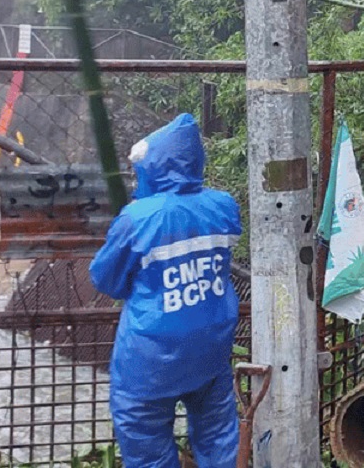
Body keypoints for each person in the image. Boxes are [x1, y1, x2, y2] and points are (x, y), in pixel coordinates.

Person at [90, 114, 241, 468]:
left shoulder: (136, 218)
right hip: (211, 345)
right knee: (219, 435)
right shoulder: (223, 207)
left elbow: (107, 280)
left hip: (149, 357)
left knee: (145, 440)